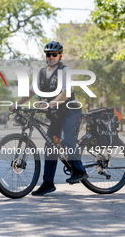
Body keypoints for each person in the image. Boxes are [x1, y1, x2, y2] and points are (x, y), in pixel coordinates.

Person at [9, 41, 87, 196]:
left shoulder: (65, 71)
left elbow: (66, 92)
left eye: (54, 54)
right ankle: (48, 183)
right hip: (57, 115)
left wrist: (50, 104)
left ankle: (79, 171)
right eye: (48, 54)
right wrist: (17, 104)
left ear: (60, 56)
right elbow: (31, 92)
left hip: (71, 112)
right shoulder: (41, 74)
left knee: (65, 140)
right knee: (50, 146)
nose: (51, 57)